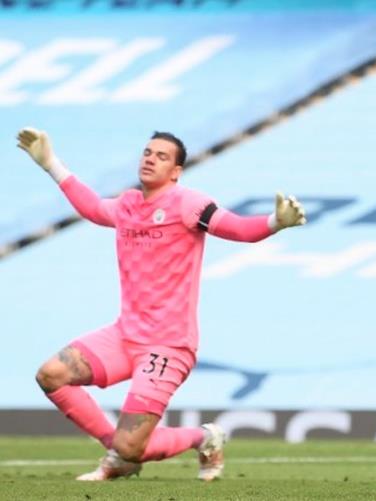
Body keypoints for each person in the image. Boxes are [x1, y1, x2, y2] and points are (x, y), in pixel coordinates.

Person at [17, 127, 307, 481]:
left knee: (130, 445)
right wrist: (51, 164)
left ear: (176, 171)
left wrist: (276, 222)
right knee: (52, 375)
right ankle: (119, 454)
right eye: (147, 152)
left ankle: (203, 437)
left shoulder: (189, 205)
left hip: (168, 345)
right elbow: (92, 207)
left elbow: (238, 228)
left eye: (162, 156)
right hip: (125, 335)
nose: (150, 159)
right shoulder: (127, 205)